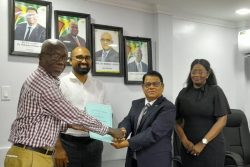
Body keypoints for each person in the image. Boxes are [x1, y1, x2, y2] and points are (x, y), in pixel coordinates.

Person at [4, 39, 125, 167]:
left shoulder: (48, 80)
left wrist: (70, 125)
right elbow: (75, 116)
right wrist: (111, 131)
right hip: (34, 155)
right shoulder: (45, 84)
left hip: (86, 144)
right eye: (55, 56)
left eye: (63, 57)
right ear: (40, 57)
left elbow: (47, 119)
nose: (61, 61)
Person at [54, 47, 106, 167]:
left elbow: (106, 113)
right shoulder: (60, 84)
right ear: (70, 60)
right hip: (67, 144)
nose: (84, 61)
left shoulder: (99, 86)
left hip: (94, 143)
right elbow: (51, 119)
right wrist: (58, 148)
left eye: (87, 58)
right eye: (79, 57)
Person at [112, 71, 176, 167]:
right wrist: (122, 132)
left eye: (156, 84)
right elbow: (128, 120)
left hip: (155, 160)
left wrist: (127, 143)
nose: (151, 87)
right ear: (143, 87)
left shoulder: (168, 107)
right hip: (133, 158)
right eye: (147, 84)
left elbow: (154, 132)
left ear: (162, 87)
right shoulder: (136, 104)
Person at [175, 59, 230, 167]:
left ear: (208, 74)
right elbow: (176, 120)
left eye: (201, 72)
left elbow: (222, 120)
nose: (196, 75)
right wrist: (184, 141)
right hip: (189, 149)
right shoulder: (183, 93)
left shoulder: (216, 91)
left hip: (212, 147)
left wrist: (203, 143)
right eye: (193, 71)